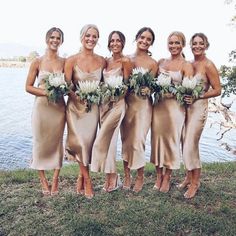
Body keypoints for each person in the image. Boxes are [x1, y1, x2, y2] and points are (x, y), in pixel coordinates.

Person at [64, 24, 106, 199]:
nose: (91, 39)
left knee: (88, 144)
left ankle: (81, 175)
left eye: (94, 36)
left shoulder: (102, 60)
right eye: (88, 35)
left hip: (93, 109)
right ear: (81, 37)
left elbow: (104, 84)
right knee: (79, 143)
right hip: (75, 108)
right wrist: (75, 97)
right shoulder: (71, 60)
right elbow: (66, 86)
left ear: (97, 39)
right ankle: (88, 180)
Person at [179, 33, 221, 198]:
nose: (197, 46)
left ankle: (196, 182)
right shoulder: (188, 63)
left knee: (191, 144)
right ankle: (188, 177)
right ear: (190, 45)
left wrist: (199, 96)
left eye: (200, 43)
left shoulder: (209, 65)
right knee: (184, 142)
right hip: (185, 108)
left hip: (198, 109)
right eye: (194, 43)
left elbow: (217, 90)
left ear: (206, 45)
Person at [151, 31, 194, 193]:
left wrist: (174, 92)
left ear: (183, 45)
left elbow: (188, 90)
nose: (173, 46)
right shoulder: (161, 62)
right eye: (171, 43)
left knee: (171, 142)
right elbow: (152, 82)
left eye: (177, 43)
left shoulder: (186, 65)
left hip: (175, 109)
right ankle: (158, 175)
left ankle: (167, 176)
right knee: (157, 141)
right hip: (158, 107)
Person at [25, 27, 66, 196]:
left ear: (61, 41)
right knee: (40, 143)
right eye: (52, 37)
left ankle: (55, 179)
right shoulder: (37, 61)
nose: (55, 40)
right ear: (46, 39)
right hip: (41, 108)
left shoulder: (64, 62)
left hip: (58, 109)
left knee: (57, 143)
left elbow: (68, 85)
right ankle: (43, 180)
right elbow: (28, 87)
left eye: (58, 38)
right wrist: (46, 92)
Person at [91, 31, 133, 192]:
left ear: (123, 43)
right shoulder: (105, 61)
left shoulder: (126, 61)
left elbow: (128, 86)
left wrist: (116, 96)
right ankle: (110, 177)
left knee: (109, 141)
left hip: (117, 105)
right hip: (104, 106)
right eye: (112, 41)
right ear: (108, 43)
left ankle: (113, 177)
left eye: (118, 41)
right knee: (107, 142)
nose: (115, 43)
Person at [121, 27, 158, 193]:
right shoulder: (126, 58)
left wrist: (149, 90)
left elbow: (154, 86)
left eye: (148, 39)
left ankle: (140, 176)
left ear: (151, 43)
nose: (144, 41)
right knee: (126, 141)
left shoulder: (153, 64)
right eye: (142, 37)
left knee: (138, 141)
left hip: (143, 105)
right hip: (127, 104)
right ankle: (127, 175)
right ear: (136, 38)